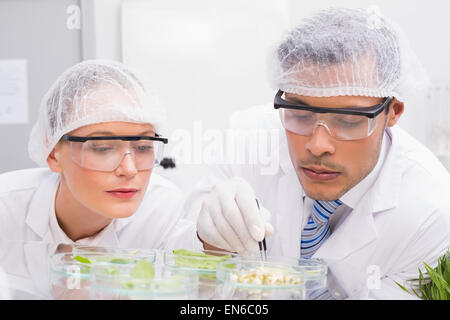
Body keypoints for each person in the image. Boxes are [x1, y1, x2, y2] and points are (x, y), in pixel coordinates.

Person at [187, 7, 450, 298]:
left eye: (348, 119)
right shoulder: (246, 137)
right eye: (300, 113)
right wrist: (209, 244)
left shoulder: (431, 213)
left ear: (393, 112)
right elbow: (181, 278)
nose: (317, 145)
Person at [0, 60, 194, 249]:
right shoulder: (6, 205)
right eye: (103, 148)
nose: (129, 170)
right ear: (52, 153)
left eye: (143, 147)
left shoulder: (161, 209)